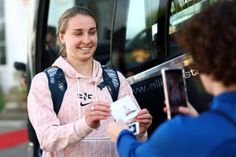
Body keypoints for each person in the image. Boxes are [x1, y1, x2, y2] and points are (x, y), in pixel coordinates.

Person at [107, 1, 236, 157]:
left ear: (203, 62)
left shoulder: (180, 133)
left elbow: (137, 154)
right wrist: (199, 120)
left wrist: (121, 135)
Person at [27, 6, 152, 157]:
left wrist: (140, 129)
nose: (87, 40)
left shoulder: (115, 78)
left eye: (92, 32)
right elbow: (47, 139)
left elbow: (129, 134)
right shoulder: (44, 82)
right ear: (61, 37)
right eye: (78, 33)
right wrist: (84, 124)